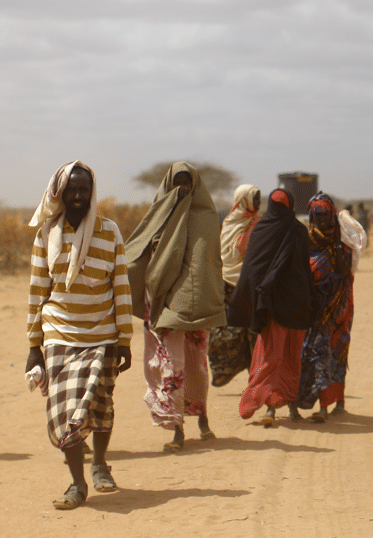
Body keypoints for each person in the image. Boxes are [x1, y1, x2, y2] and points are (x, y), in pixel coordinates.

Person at [26, 161, 133, 510]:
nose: (77, 195)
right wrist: (33, 345)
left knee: (101, 404)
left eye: (83, 189)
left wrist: (125, 339)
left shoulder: (109, 231)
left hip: (102, 334)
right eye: (70, 189)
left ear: (92, 192)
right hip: (58, 332)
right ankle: (77, 483)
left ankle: (100, 464)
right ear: (58, 192)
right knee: (61, 409)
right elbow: (37, 291)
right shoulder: (45, 235)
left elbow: (120, 285)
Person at [125, 162, 226, 452]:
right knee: (171, 365)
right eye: (177, 183)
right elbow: (139, 251)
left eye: (187, 183)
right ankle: (178, 427)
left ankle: (202, 418)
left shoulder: (205, 218)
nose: (182, 189)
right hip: (161, 300)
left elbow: (208, 263)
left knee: (196, 364)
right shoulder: (158, 216)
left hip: (195, 302)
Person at [228, 189, 314, 426]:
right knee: (286, 355)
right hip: (292, 302)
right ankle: (275, 407)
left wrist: (254, 297)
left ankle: (280, 408)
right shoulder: (297, 230)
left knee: (273, 356)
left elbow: (253, 269)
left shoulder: (262, 229)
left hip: (277, 304)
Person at [298, 193, 355, 422]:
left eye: (325, 215)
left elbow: (345, 273)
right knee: (319, 353)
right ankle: (323, 405)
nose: (321, 220)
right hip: (315, 307)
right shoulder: (306, 240)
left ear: (331, 215)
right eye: (317, 216)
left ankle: (338, 402)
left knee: (338, 350)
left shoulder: (342, 240)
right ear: (311, 216)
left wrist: (339, 250)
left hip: (340, 306)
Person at [208, 184, 261, 387]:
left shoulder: (258, 223)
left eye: (258, 199)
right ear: (243, 200)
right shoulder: (228, 223)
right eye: (254, 199)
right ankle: (224, 371)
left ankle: (254, 377)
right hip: (227, 284)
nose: (257, 203)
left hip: (248, 284)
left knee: (252, 333)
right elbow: (224, 254)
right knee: (224, 332)